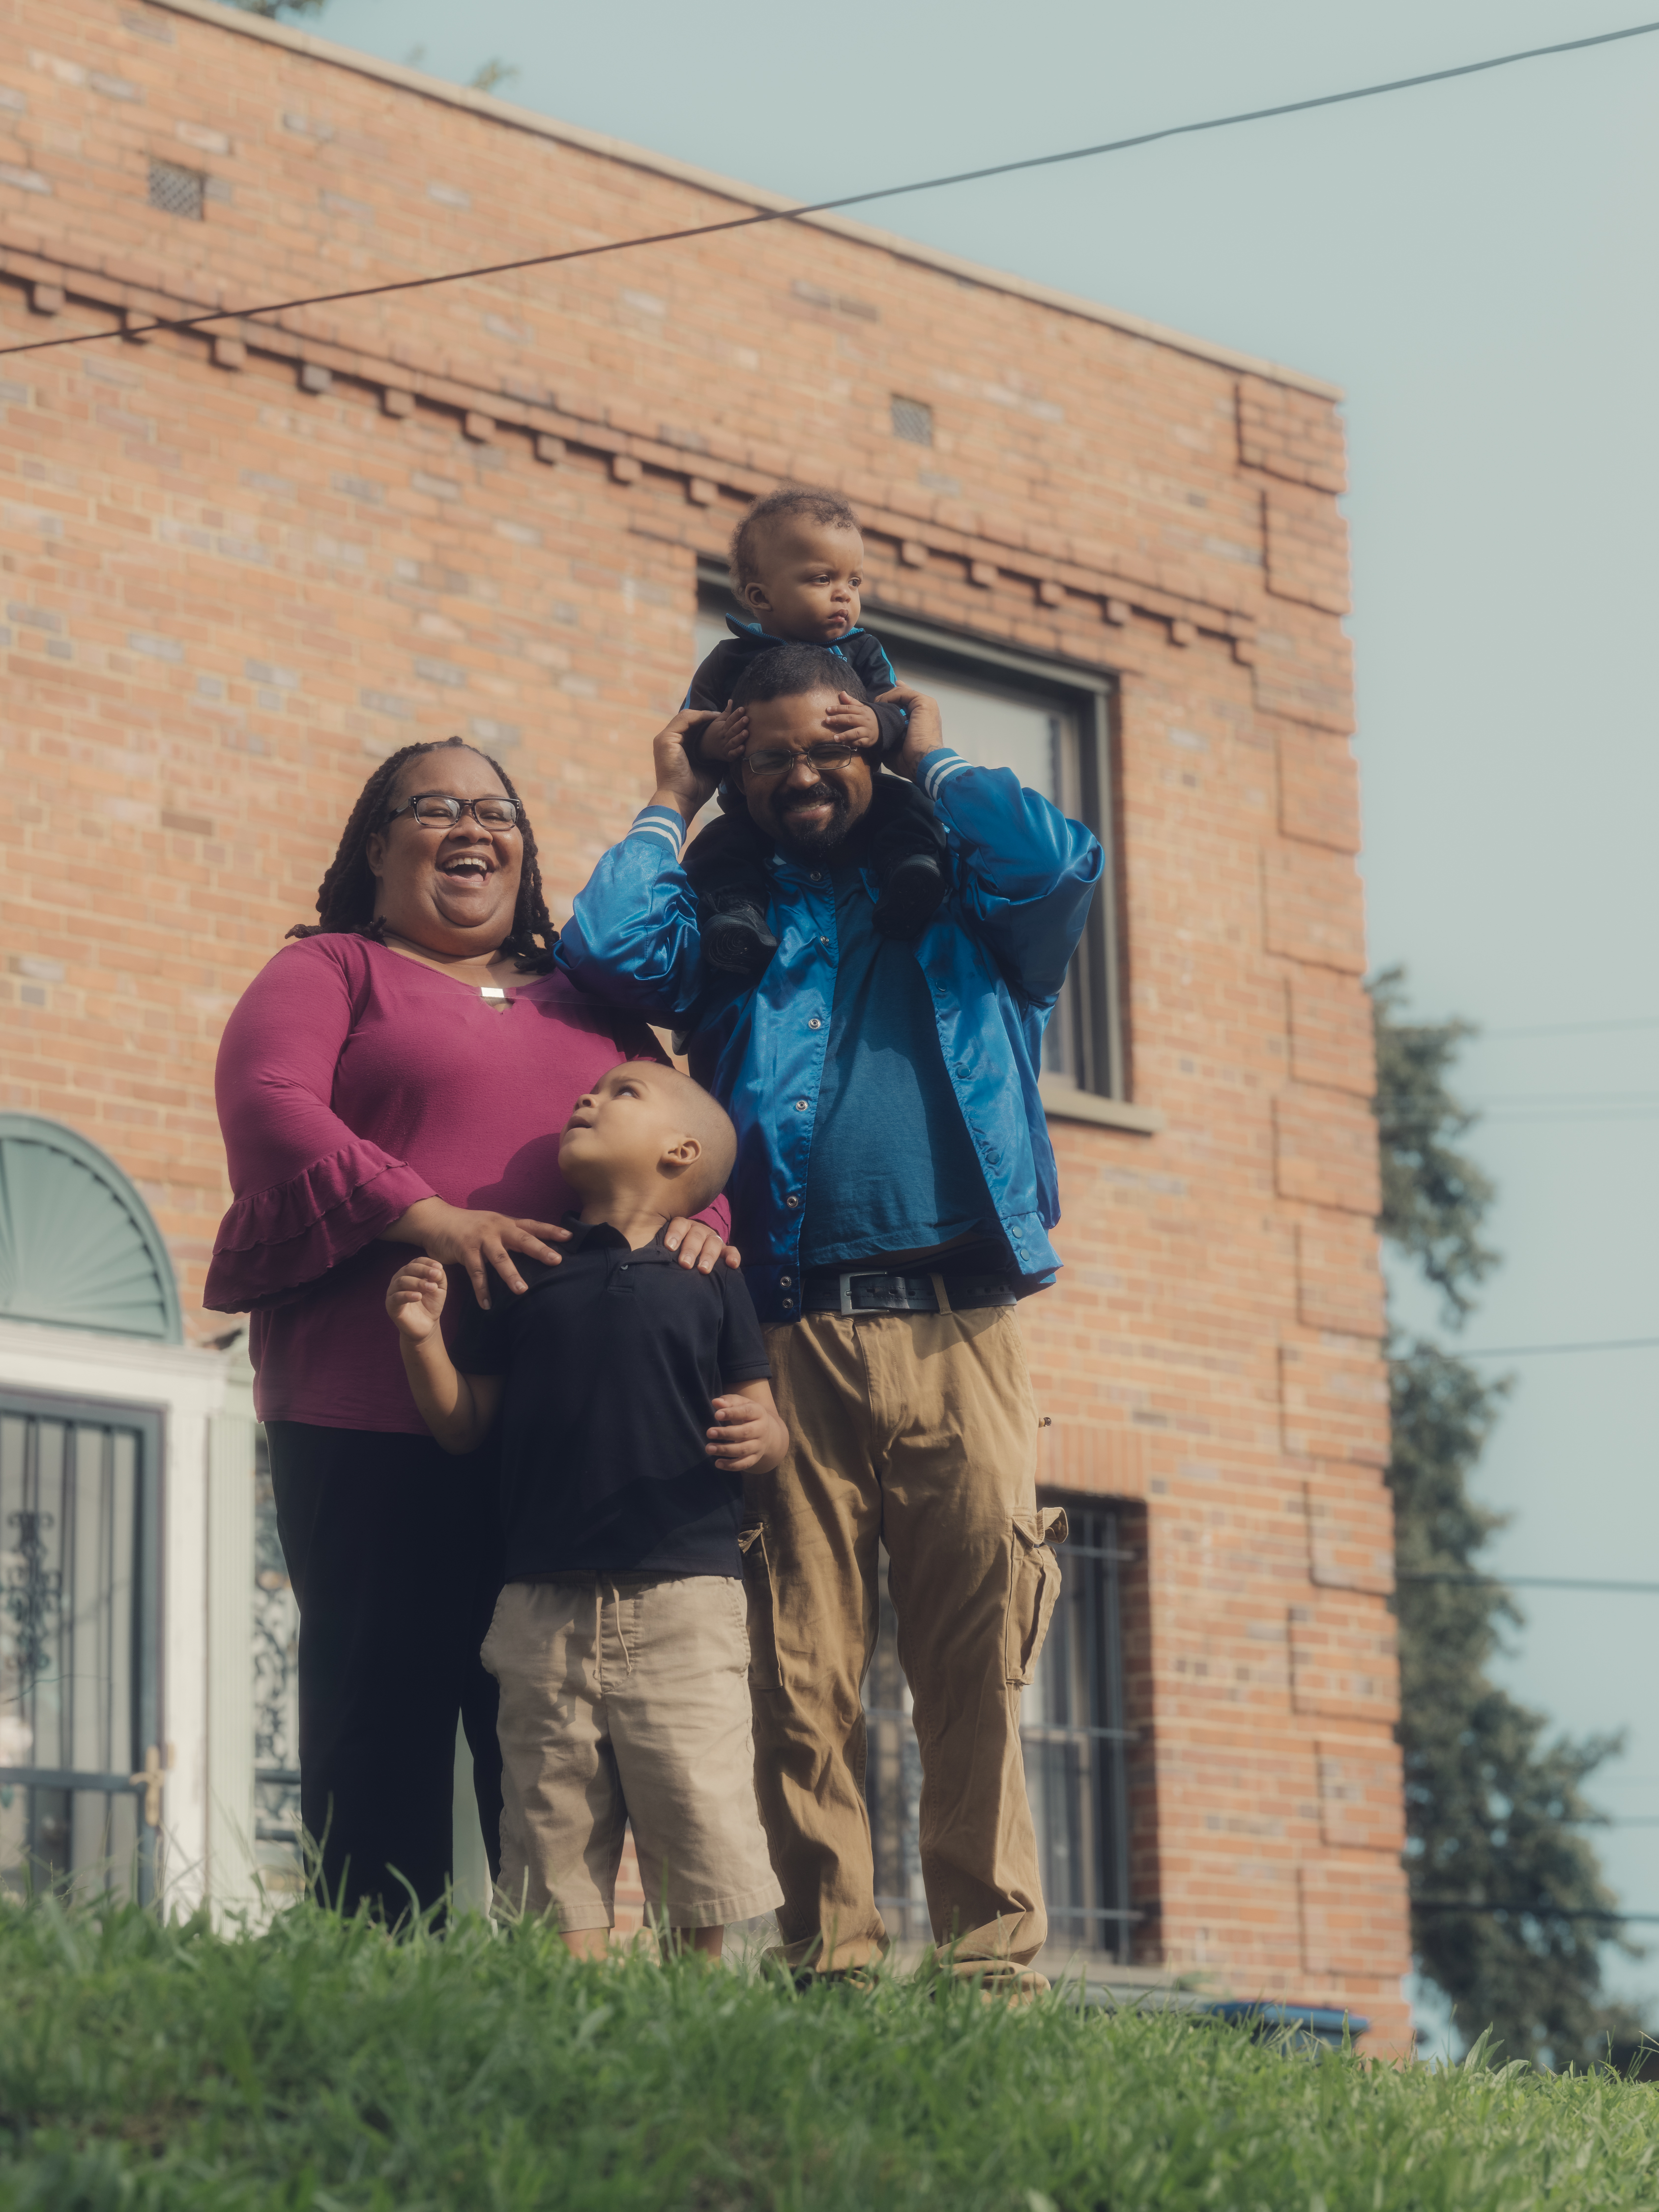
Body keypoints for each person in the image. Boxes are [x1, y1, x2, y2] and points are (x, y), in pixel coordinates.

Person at [558, 643, 1104, 1988]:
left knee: (974, 1655)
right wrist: (661, 801)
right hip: (782, 1327)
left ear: (874, 746)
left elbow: (1060, 864)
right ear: (734, 770)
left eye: (830, 745)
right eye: (767, 755)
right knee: (795, 1668)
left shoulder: (974, 906)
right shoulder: (729, 924)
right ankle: (831, 1963)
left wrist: (942, 756)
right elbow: (605, 949)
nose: (799, 772)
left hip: (960, 1318)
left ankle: (990, 1966)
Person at [204, 736, 733, 1924]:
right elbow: (269, 1100)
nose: (470, 827)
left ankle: (557, 1966)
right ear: (376, 844)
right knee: (378, 1693)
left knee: (546, 1713)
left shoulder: (591, 1005)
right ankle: (373, 1956)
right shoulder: (336, 968)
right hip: (366, 1399)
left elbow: (685, 1136)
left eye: (495, 809)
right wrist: (429, 1217)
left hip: (558, 1429)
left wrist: (711, 1229)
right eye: (431, 806)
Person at [385, 1060, 786, 1956]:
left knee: (696, 1812)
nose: (589, 1099)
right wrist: (421, 1345)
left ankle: (696, 2017)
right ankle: (571, 2016)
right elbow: (465, 1424)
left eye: (624, 1093)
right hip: (541, 1604)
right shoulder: (527, 1271)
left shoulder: (712, 1276)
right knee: (549, 1829)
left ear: (681, 1153)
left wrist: (767, 1440)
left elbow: (761, 1408)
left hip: (683, 1600)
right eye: (592, 1092)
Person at [682, 486, 947, 974]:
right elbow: (689, 728)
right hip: (758, 813)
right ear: (762, 596)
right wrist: (713, 740)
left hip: (855, 807)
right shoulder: (728, 661)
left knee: (908, 805)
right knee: (718, 848)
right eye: (823, 578)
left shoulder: (863, 651)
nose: (844, 593)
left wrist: (878, 724)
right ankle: (736, 918)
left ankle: (911, 873)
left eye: (855, 581)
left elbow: (896, 712)